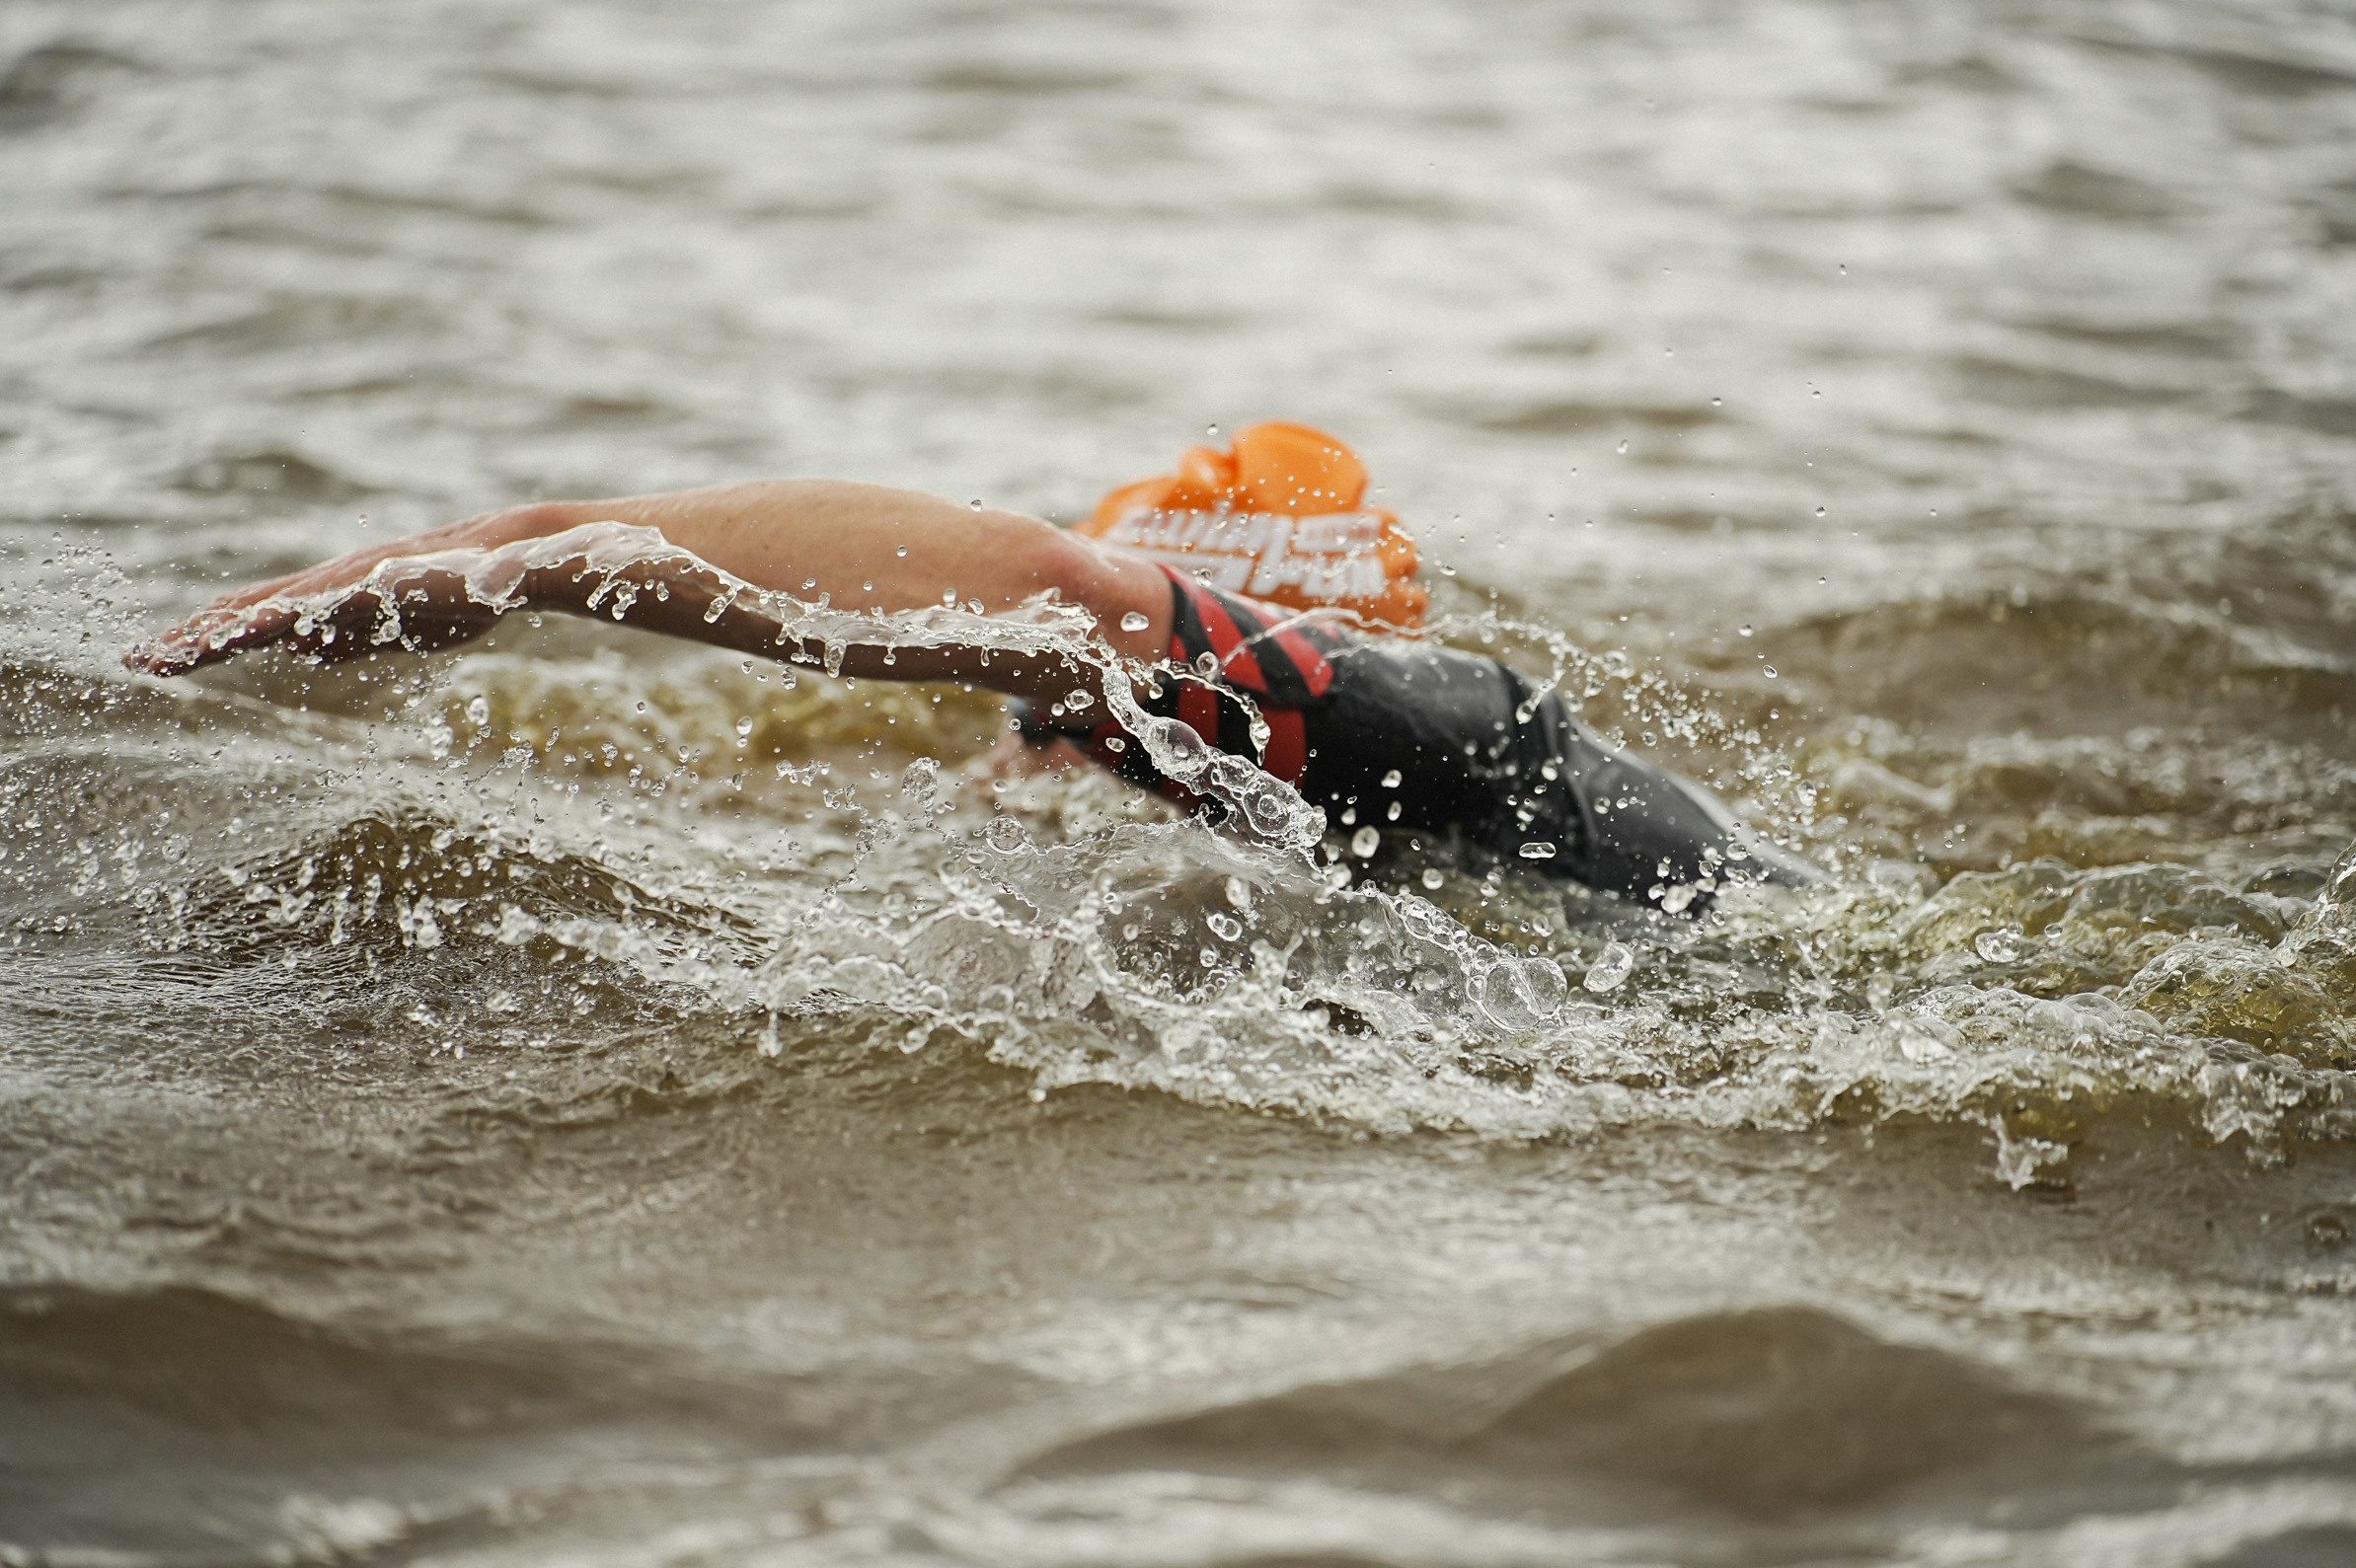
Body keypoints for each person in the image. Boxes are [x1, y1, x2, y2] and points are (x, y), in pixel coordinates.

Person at [130, 423, 1813, 910]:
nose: (1036, 748)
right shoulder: (1380, 781)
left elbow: (1055, 586)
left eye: (1055, 711)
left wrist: (543, 555)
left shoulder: (1432, 720)